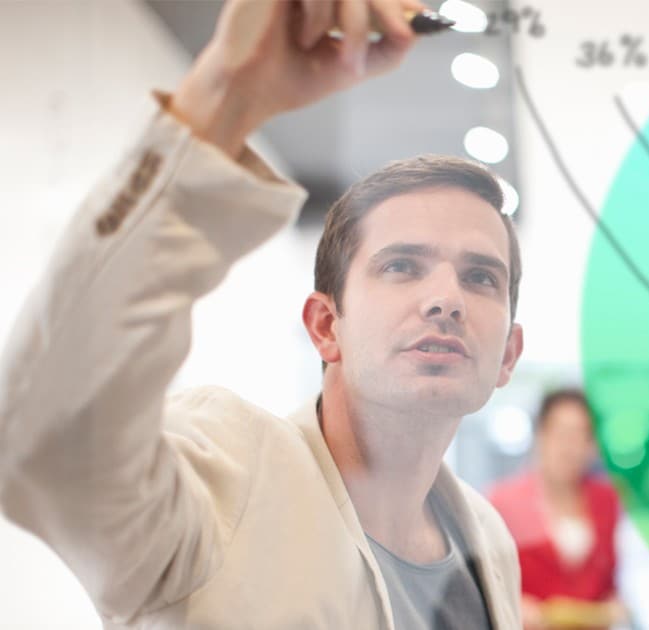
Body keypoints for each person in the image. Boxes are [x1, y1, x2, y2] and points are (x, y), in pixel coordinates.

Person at [0, 1, 526, 628]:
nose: (447, 298)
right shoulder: (227, 474)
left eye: (480, 277)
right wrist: (223, 95)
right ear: (326, 326)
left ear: (509, 355)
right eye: (402, 266)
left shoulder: (488, 541)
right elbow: (50, 438)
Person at [488, 389, 625, 630]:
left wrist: (612, 606)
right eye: (561, 434)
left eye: (581, 436)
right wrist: (515, 606)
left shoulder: (606, 499)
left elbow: (608, 578)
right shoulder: (505, 501)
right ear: (541, 435)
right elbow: (488, 582)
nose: (570, 448)